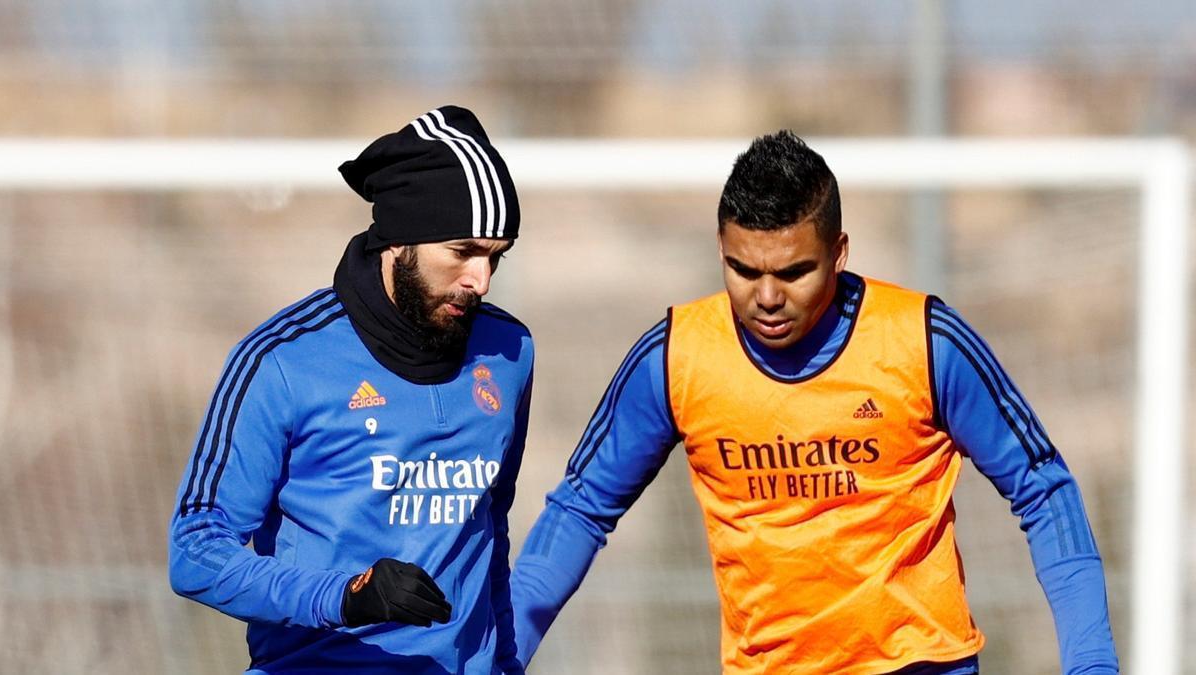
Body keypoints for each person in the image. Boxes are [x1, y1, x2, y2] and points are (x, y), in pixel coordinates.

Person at [510, 131, 1119, 674]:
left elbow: (1044, 489)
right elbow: (581, 508)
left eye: (794, 272)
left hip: (919, 664)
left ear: (839, 252)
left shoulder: (923, 342)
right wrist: (500, 657)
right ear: (720, 248)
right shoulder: (676, 358)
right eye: (743, 270)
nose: (767, 296)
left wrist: (1091, 661)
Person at [169, 105, 532, 674]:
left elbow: (493, 531)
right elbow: (195, 550)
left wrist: (506, 664)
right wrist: (344, 596)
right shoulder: (282, 360)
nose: (480, 280)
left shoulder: (510, 352)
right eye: (462, 252)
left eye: (496, 257)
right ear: (400, 241)